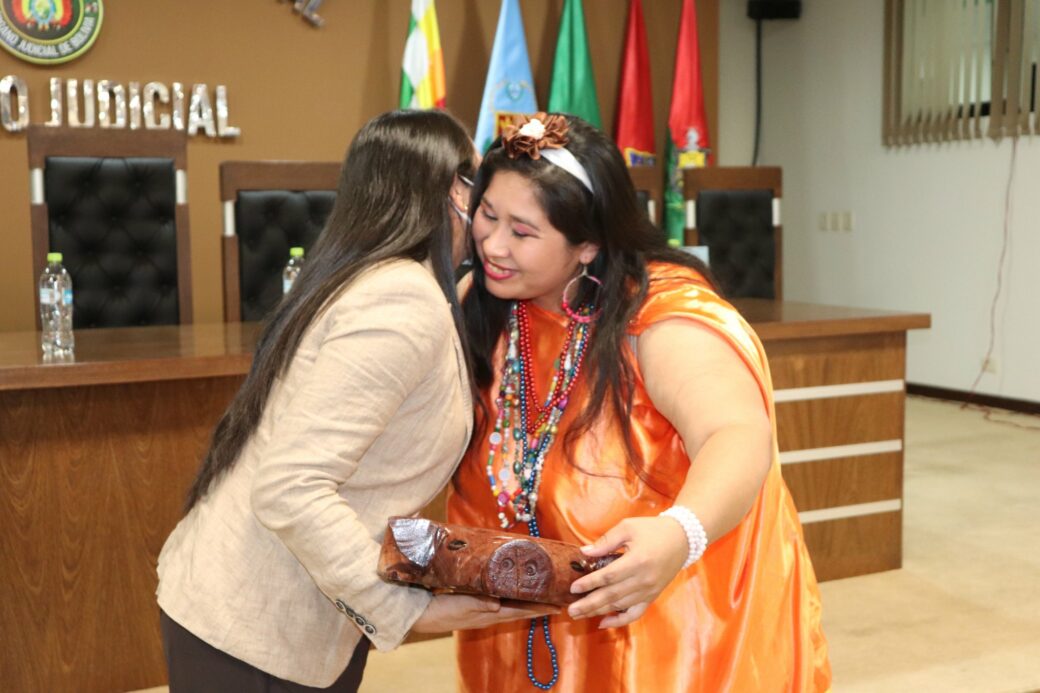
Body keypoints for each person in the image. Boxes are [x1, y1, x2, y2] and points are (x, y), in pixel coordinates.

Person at [156, 109, 552, 693]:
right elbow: (290, 487)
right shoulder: (400, 303)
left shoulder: (385, 280)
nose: (487, 196)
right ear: (444, 190)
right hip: (254, 632)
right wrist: (403, 610)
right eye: (475, 179)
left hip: (288, 619)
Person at [448, 113, 832, 692]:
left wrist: (680, 534)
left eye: (523, 232)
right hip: (522, 622)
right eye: (488, 215)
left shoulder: (662, 320)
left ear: (588, 245)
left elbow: (737, 435)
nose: (494, 244)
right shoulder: (488, 297)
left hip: (670, 629)